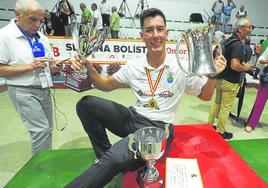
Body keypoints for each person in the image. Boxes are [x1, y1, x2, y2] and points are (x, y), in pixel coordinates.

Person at [65, 8, 227, 187]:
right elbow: (105, 84)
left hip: (158, 128)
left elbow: (205, 95)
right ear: (142, 35)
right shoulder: (134, 66)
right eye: (149, 30)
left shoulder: (181, 66)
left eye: (159, 29)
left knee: (118, 156)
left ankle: (111, 162)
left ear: (167, 33)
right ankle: (105, 158)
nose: (155, 35)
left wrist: (213, 76)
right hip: (133, 118)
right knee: (86, 104)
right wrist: (88, 66)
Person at [0, 0, 61, 153]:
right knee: (40, 131)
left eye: (41, 20)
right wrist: (29, 67)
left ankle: (46, 161)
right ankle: (40, 170)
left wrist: (53, 67)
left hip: (45, 88)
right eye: (33, 19)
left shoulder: (42, 37)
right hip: (23, 90)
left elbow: (47, 61)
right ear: (17, 14)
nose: (37, 24)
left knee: (47, 130)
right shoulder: (4, 36)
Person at [208, 18, 254, 140]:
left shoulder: (226, 40)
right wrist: (247, 68)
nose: (250, 30)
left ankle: (209, 126)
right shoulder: (238, 45)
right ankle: (221, 131)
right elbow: (235, 65)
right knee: (225, 107)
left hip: (219, 78)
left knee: (216, 103)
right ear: (240, 29)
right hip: (230, 80)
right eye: (248, 27)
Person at [245, 47, 268, 132]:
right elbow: (261, 60)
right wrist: (266, 61)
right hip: (266, 80)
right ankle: (251, 123)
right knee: (260, 102)